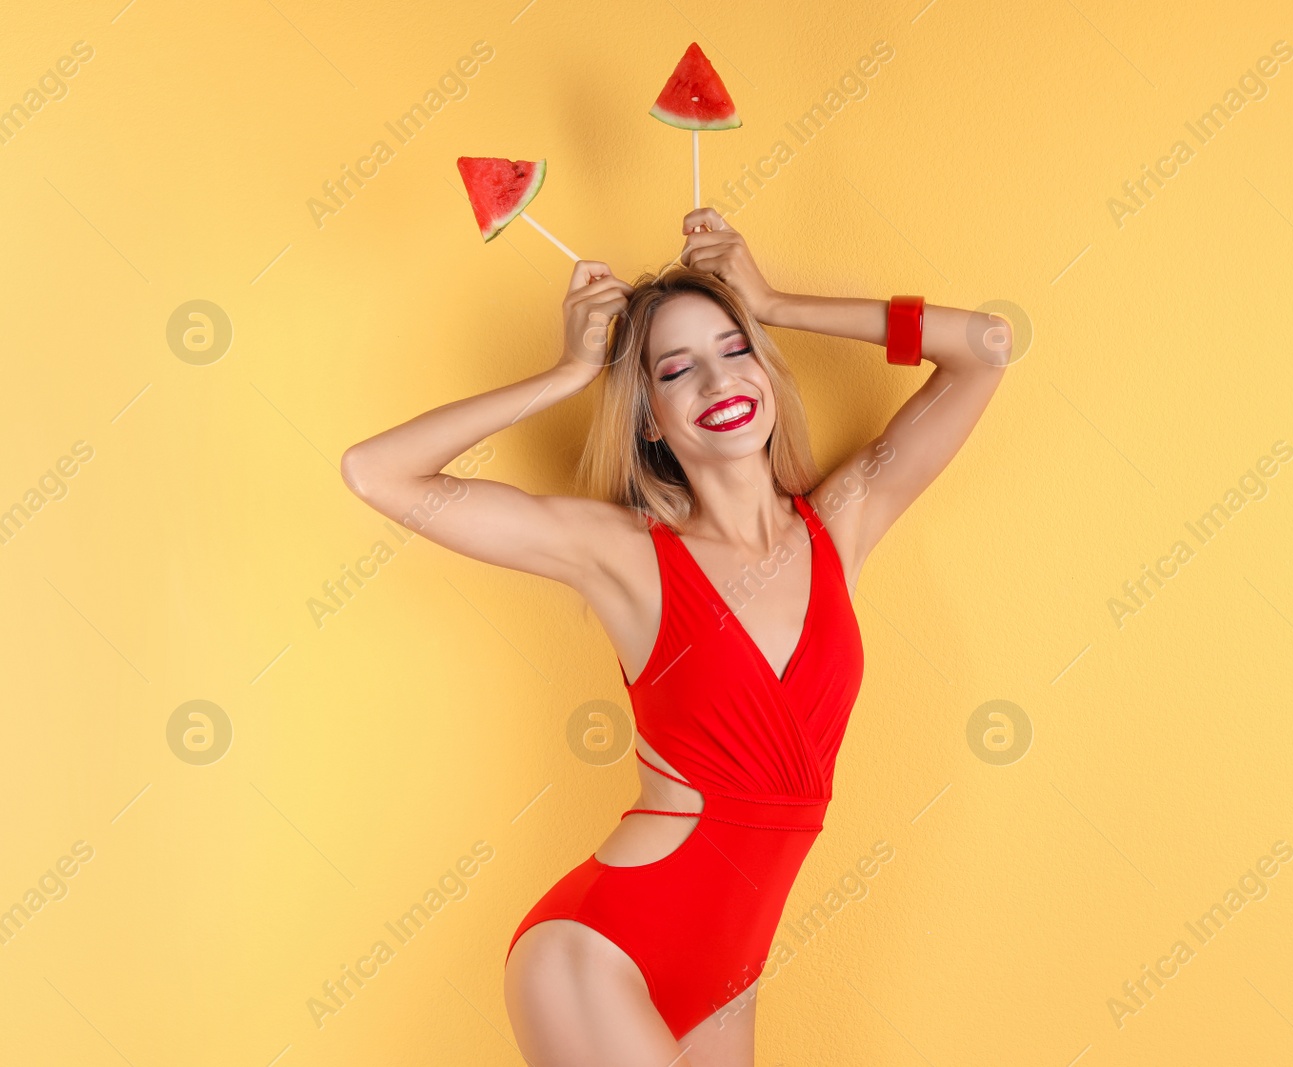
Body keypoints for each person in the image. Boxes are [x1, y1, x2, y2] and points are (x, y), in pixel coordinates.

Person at [340, 207, 1011, 1066]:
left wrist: (774, 302)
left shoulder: (840, 524)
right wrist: (569, 371)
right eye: (676, 370)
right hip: (595, 953)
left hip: (729, 982)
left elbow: (986, 344)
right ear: (650, 417)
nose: (717, 382)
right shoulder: (622, 555)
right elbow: (377, 472)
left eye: (735, 351)